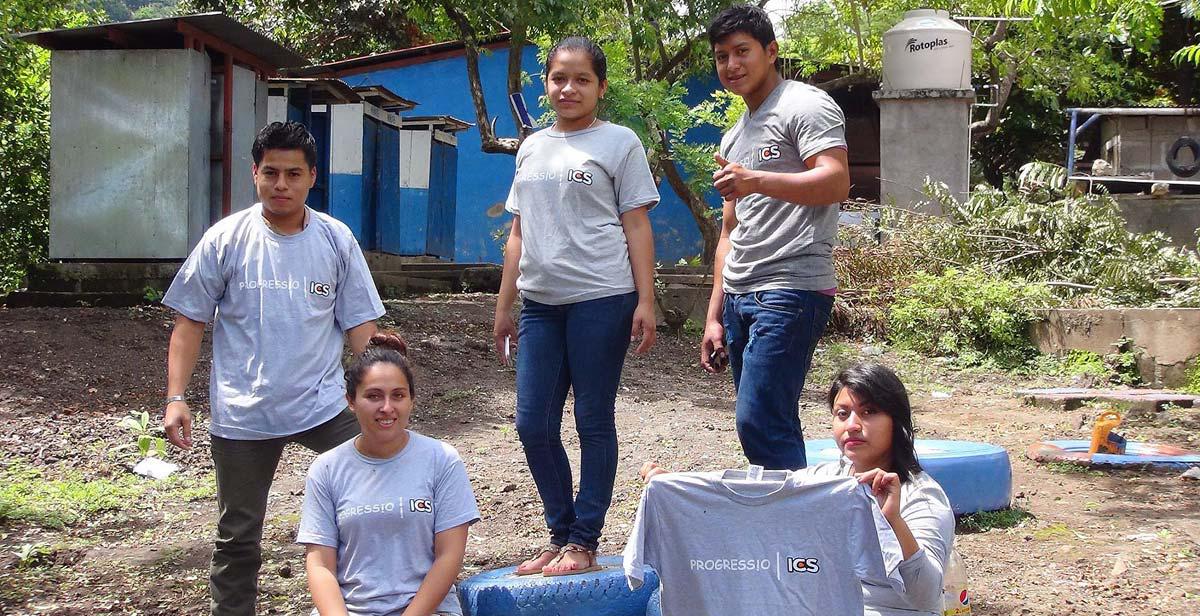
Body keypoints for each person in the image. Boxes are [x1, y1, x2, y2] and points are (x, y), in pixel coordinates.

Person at [161, 120, 386, 615]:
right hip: (244, 414)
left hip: (324, 406)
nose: (280, 185)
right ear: (254, 174)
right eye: (270, 173)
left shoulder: (335, 239)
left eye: (292, 174)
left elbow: (361, 328)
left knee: (375, 501)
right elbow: (190, 322)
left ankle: (377, 602)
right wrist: (177, 398)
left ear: (312, 177)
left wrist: (380, 389)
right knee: (237, 536)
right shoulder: (226, 239)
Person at [492, 36, 660, 576]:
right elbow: (517, 232)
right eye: (559, 78)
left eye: (582, 79)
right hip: (541, 303)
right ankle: (559, 532)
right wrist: (504, 305)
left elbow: (636, 224)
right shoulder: (531, 147)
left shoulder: (619, 143)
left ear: (600, 87)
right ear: (546, 85)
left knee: (591, 419)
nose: (569, 88)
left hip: (603, 299)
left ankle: (584, 540)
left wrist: (646, 300)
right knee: (532, 423)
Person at [642, 363, 955, 616]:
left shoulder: (921, 497)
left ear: (896, 421)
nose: (853, 425)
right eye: (842, 414)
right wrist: (682, 491)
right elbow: (758, 501)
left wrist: (894, 521)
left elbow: (926, 596)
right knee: (663, 601)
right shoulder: (825, 481)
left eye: (869, 412)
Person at [698, 3, 851, 471]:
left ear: (771, 51)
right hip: (742, 292)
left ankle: (801, 524)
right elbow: (729, 230)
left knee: (758, 419)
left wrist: (757, 180)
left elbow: (836, 181)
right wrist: (713, 316)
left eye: (742, 51)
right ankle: (792, 523)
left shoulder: (804, 104)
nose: (731, 65)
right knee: (766, 420)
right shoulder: (733, 136)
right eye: (722, 56)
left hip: (792, 287)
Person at [298, 333, 479, 616]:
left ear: (411, 400)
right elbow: (320, 565)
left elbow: (449, 556)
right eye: (373, 396)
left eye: (398, 395)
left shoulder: (441, 460)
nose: (386, 407)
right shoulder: (327, 469)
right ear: (351, 401)